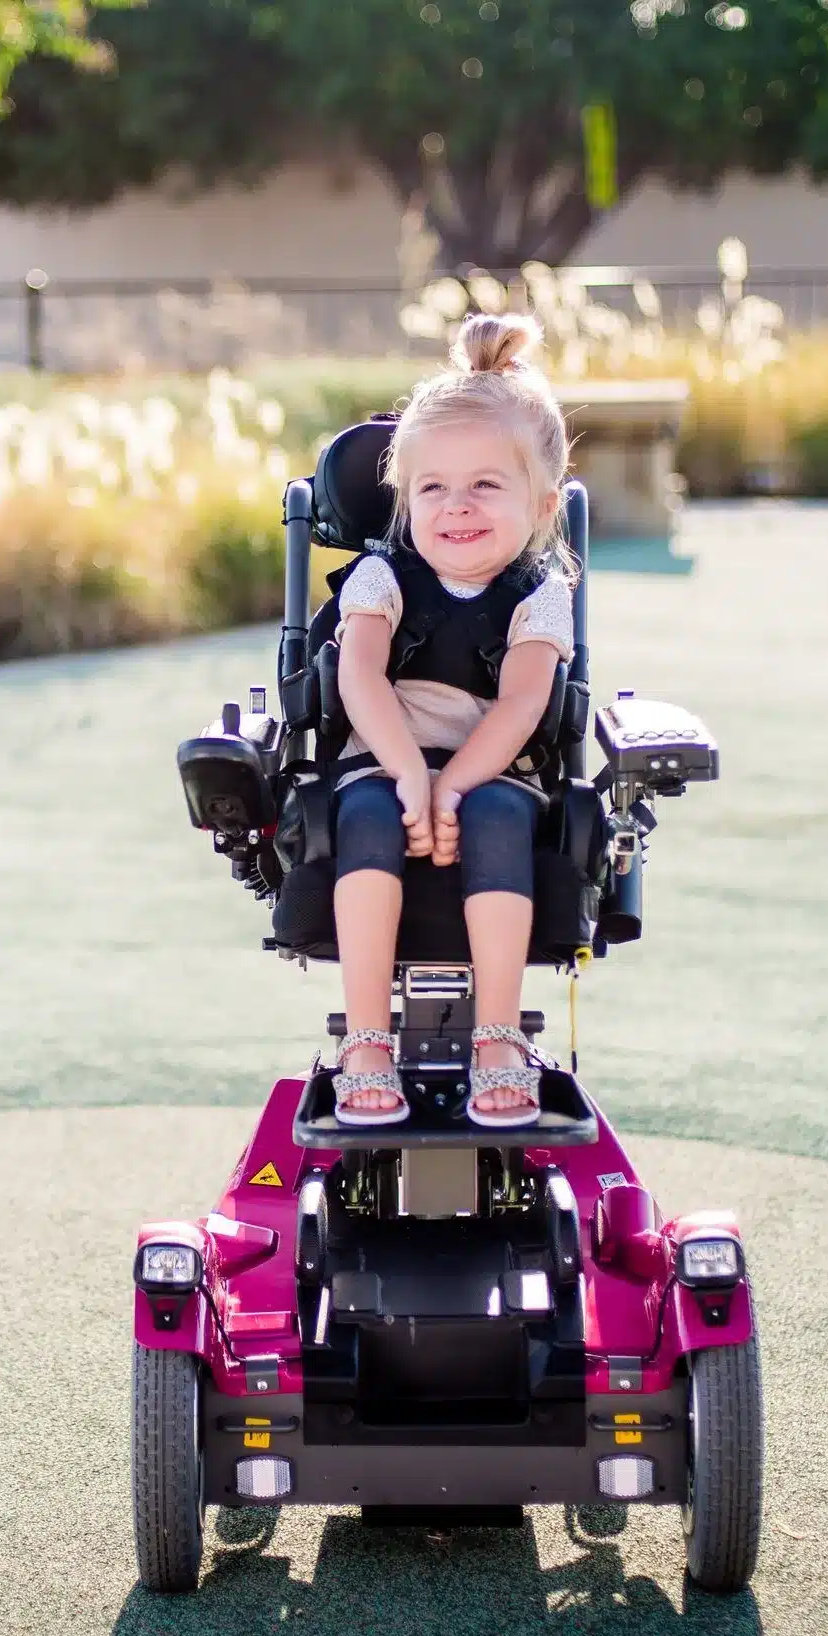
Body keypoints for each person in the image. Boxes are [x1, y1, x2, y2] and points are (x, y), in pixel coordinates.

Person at [329, 311, 577, 1129]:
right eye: (432, 487)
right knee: (366, 816)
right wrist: (411, 774)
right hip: (384, 759)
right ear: (406, 499)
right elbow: (360, 674)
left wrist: (455, 784)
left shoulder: (540, 595)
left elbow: (522, 703)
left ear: (542, 504)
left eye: (486, 486)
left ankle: (498, 1038)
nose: (456, 506)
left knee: (498, 816)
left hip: (495, 768)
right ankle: (366, 1041)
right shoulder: (382, 578)